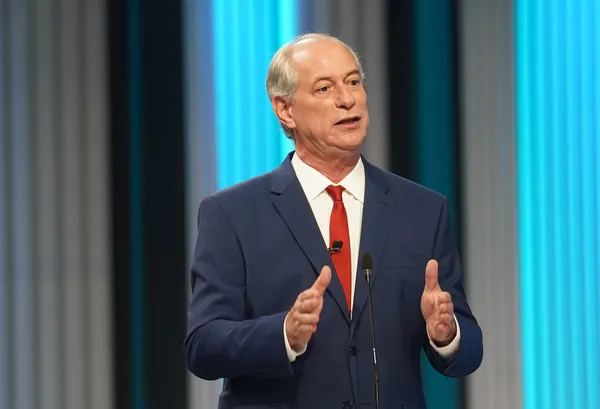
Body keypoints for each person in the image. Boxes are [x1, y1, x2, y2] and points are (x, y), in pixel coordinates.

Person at [184, 33, 483, 409]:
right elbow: (203, 346)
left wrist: (447, 333)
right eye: (324, 88)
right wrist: (283, 334)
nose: (347, 99)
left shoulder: (422, 209)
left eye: (353, 82)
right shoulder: (232, 214)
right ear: (285, 110)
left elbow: (468, 350)